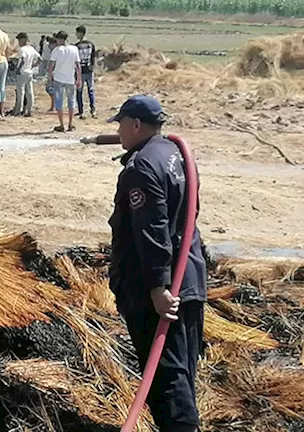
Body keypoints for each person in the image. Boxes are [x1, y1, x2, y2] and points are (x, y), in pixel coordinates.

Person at [95, 95, 207, 432]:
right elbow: (189, 214)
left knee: (166, 382)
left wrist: (158, 287)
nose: (118, 131)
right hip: (189, 279)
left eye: (120, 124)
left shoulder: (142, 166)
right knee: (182, 372)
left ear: (136, 125)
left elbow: (152, 229)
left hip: (160, 292)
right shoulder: (176, 155)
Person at [48, 31, 81, 132]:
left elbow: (51, 66)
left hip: (58, 78)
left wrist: (50, 78)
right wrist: (79, 78)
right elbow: (78, 66)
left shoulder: (56, 50)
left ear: (60, 39)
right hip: (70, 79)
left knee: (59, 102)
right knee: (71, 102)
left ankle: (61, 124)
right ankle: (70, 124)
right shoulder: (74, 49)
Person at [12, 32, 40, 117]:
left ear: (23, 40)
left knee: (21, 92)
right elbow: (40, 59)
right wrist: (33, 66)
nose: (19, 42)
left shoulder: (22, 49)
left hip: (22, 72)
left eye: (19, 40)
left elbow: (23, 59)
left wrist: (18, 69)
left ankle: (18, 110)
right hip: (29, 72)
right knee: (29, 92)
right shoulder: (31, 48)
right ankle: (29, 109)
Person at [75, 25, 98, 119]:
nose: (76, 35)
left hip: (80, 71)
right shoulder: (91, 44)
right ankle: (93, 110)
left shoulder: (76, 46)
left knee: (79, 91)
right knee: (91, 90)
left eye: (77, 33)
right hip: (89, 70)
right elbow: (93, 58)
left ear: (80, 33)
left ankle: (81, 111)